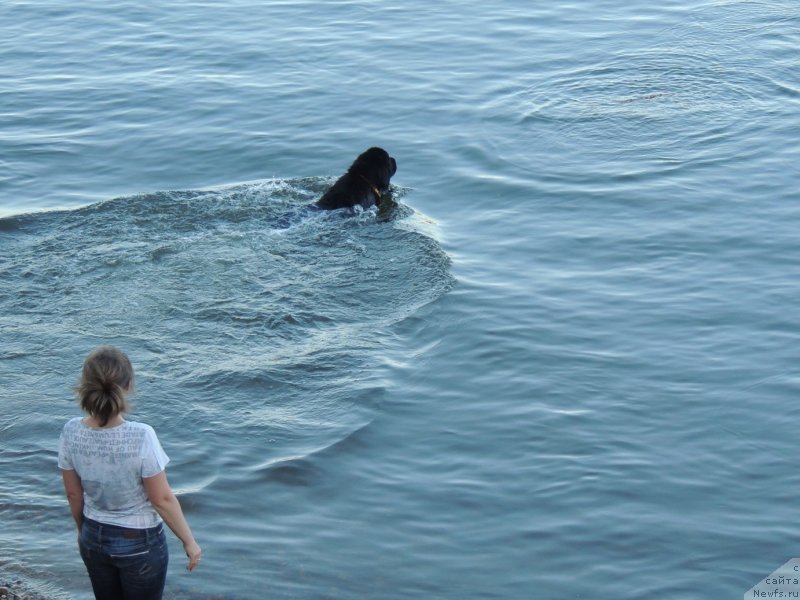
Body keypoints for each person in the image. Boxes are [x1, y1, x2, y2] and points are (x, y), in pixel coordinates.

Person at [58, 346, 202, 600]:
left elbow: (73, 494)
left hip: (93, 535)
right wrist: (189, 541)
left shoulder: (71, 431)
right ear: (128, 386)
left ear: (85, 385)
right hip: (139, 543)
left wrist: (85, 532)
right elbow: (161, 499)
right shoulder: (141, 435)